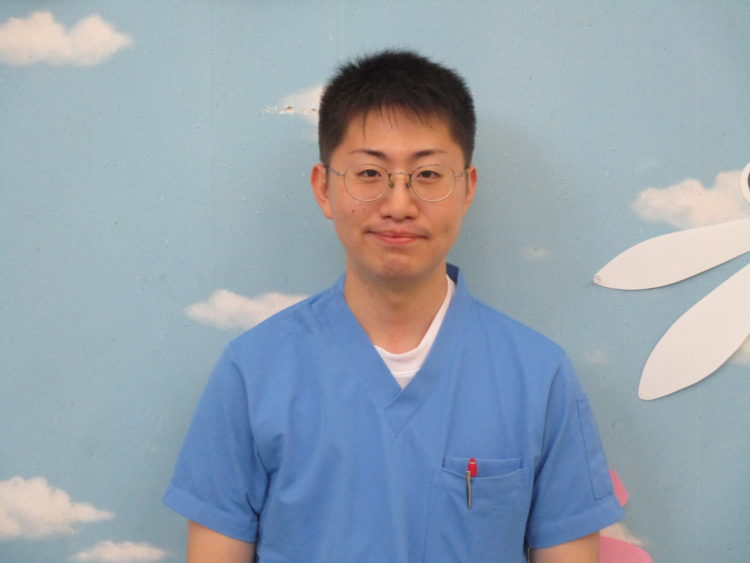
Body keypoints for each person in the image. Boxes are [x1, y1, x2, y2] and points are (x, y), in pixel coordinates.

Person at [163, 50, 623, 562]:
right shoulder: (253, 372)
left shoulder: (538, 376)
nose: (399, 205)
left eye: (427, 174)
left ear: (467, 188)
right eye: (369, 173)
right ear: (323, 188)